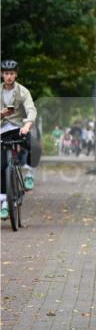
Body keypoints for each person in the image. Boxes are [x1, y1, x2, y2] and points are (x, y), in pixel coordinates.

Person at [0, 59, 36, 220]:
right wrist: (1, 114)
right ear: (2, 74)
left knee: (32, 142)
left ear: (16, 75)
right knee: (1, 167)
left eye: (12, 74)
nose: (9, 76)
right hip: (2, 129)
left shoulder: (23, 91)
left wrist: (27, 124)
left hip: (18, 127)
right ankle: (4, 204)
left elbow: (31, 109)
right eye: (6, 73)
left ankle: (28, 172)